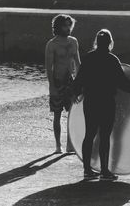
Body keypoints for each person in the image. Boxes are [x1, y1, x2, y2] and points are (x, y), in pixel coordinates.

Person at [71, 29, 130, 181]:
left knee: (89, 135)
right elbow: (123, 83)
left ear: (96, 42)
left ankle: (87, 170)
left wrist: (75, 93)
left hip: (91, 101)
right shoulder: (112, 60)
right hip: (106, 102)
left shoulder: (88, 58)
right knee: (105, 136)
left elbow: (79, 79)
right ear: (110, 43)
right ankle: (104, 171)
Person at [45, 14, 80, 154]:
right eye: (65, 25)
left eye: (69, 25)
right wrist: (52, 86)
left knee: (73, 113)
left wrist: (80, 83)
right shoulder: (51, 44)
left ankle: (70, 145)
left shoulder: (73, 42)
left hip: (70, 82)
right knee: (57, 115)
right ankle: (58, 146)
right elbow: (49, 68)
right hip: (57, 82)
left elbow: (78, 63)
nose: (68, 28)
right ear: (58, 27)